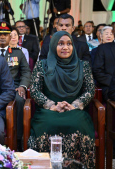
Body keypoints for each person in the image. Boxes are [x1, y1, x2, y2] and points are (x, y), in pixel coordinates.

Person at [28, 31, 95, 168]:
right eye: (60, 44)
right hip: (48, 111)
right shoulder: (42, 65)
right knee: (48, 124)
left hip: (75, 109)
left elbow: (90, 90)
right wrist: (51, 105)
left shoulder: (84, 66)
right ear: (53, 46)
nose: (65, 47)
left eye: (69, 44)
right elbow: (34, 89)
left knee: (77, 124)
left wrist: (75, 104)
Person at [0, 21, 31, 151]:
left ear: (10, 37)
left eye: (5, 35)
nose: (2, 37)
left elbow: (26, 72)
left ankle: (18, 139)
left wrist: (22, 86)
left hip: (14, 88)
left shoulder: (17, 53)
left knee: (19, 100)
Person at [93, 28, 115, 101]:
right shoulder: (103, 48)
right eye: (106, 34)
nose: (109, 35)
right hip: (111, 87)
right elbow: (97, 71)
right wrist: (112, 83)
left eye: (110, 34)